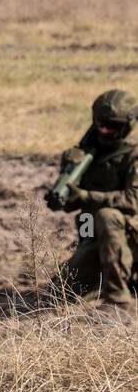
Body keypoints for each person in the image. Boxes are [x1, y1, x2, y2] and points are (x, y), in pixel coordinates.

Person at [46, 88, 138, 308]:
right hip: (90, 233)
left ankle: (118, 299)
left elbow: (133, 200)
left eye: (113, 126)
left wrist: (87, 196)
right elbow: (71, 206)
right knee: (58, 294)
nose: (105, 131)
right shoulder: (86, 154)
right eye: (101, 125)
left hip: (129, 233)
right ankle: (108, 280)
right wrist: (66, 187)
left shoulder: (133, 155)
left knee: (107, 216)